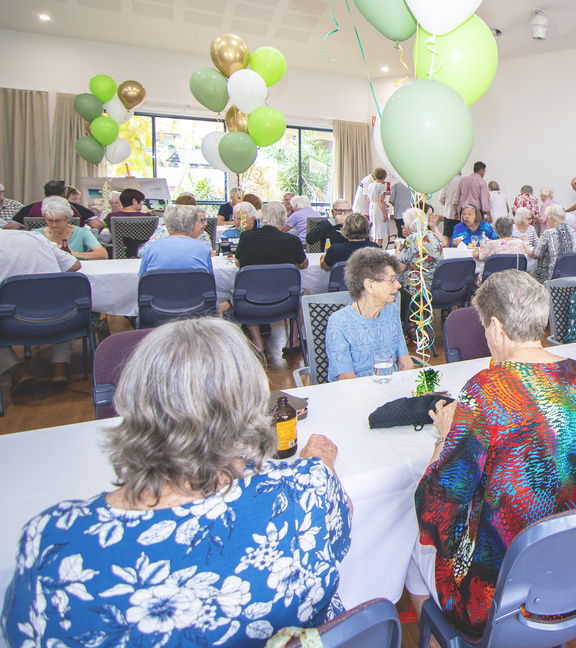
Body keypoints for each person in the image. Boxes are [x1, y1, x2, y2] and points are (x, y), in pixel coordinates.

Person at [2, 318, 352, 648]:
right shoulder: (311, 490)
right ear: (250, 408)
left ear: (132, 401)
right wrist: (319, 463)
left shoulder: (53, 541)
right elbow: (342, 519)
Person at [410, 270, 576, 639]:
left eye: (484, 327)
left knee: (414, 550)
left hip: (508, 594)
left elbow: (436, 504)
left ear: (497, 328)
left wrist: (445, 438)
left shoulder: (488, 390)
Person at [0, 230, 81, 387]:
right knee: (65, 303)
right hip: (60, 318)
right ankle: (60, 367)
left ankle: (17, 371)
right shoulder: (33, 236)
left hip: (14, 324)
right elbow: (74, 265)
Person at [325, 248, 415, 382]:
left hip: (390, 388)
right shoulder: (339, 322)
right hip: (356, 395)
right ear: (369, 285)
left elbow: (405, 362)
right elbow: (346, 380)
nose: (398, 285)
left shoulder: (391, 310)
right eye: (391, 279)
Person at [234, 202, 307, 353]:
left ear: (261, 219)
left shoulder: (246, 237)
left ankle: (258, 342)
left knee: (244, 291)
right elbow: (304, 264)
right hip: (285, 302)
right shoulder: (291, 240)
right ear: (283, 220)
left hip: (251, 302)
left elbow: (238, 262)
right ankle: (292, 341)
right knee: (305, 295)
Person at [396, 207, 444, 340]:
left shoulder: (412, 239)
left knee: (391, 286)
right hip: (433, 288)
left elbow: (399, 267)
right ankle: (412, 324)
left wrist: (398, 250)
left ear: (410, 224)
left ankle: (405, 327)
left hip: (415, 288)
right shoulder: (434, 237)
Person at [138, 205, 214, 275]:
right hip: (193, 288)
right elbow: (209, 276)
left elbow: (142, 277)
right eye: (202, 220)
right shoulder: (203, 248)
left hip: (159, 288)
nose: (205, 224)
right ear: (193, 225)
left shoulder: (151, 248)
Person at [139, 194, 214, 256]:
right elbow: (142, 253)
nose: (206, 224)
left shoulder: (203, 235)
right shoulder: (163, 231)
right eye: (202, 221)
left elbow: (208, 254)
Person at [34, 196, 105, 260]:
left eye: (59, 220)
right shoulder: (36, 235)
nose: (54, 224)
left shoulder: (82, 233)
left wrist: (75, 254)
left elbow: (103, 254)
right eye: (49, 220)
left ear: (68, 218)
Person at [11, 180, 103, 229]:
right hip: (70, 249)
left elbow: (10, 227)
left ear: (45, 193)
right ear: (64, 193)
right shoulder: (77, 208)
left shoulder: (30, 209)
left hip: (39, 249)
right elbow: (98, 225)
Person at [526, 204, 576, 282]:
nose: (547, 222)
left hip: (549, 278)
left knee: (526, 275)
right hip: (569, 276)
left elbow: (535, 255)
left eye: (547, 219)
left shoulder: (548, 233)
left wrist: (526, 247)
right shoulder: (573, 232)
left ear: (552, 219)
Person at [471, 216, 528, 283]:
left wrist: (476, 251)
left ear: (496, 230)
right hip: (513, 281)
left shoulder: (491, 244)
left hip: (492, 281)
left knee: (473, 278)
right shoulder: (519, 243)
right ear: (512, 229)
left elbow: (479, 257)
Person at [365, 168, 390, 245]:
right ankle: (378, 249)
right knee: (379, 232)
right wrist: (385, 214)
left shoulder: (370, 185)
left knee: (374, 231)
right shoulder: (381, 186)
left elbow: (368, 200)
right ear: (384, 177)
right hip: (378, 208)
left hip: (371, 207)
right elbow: (381, 201)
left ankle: (374, 248)